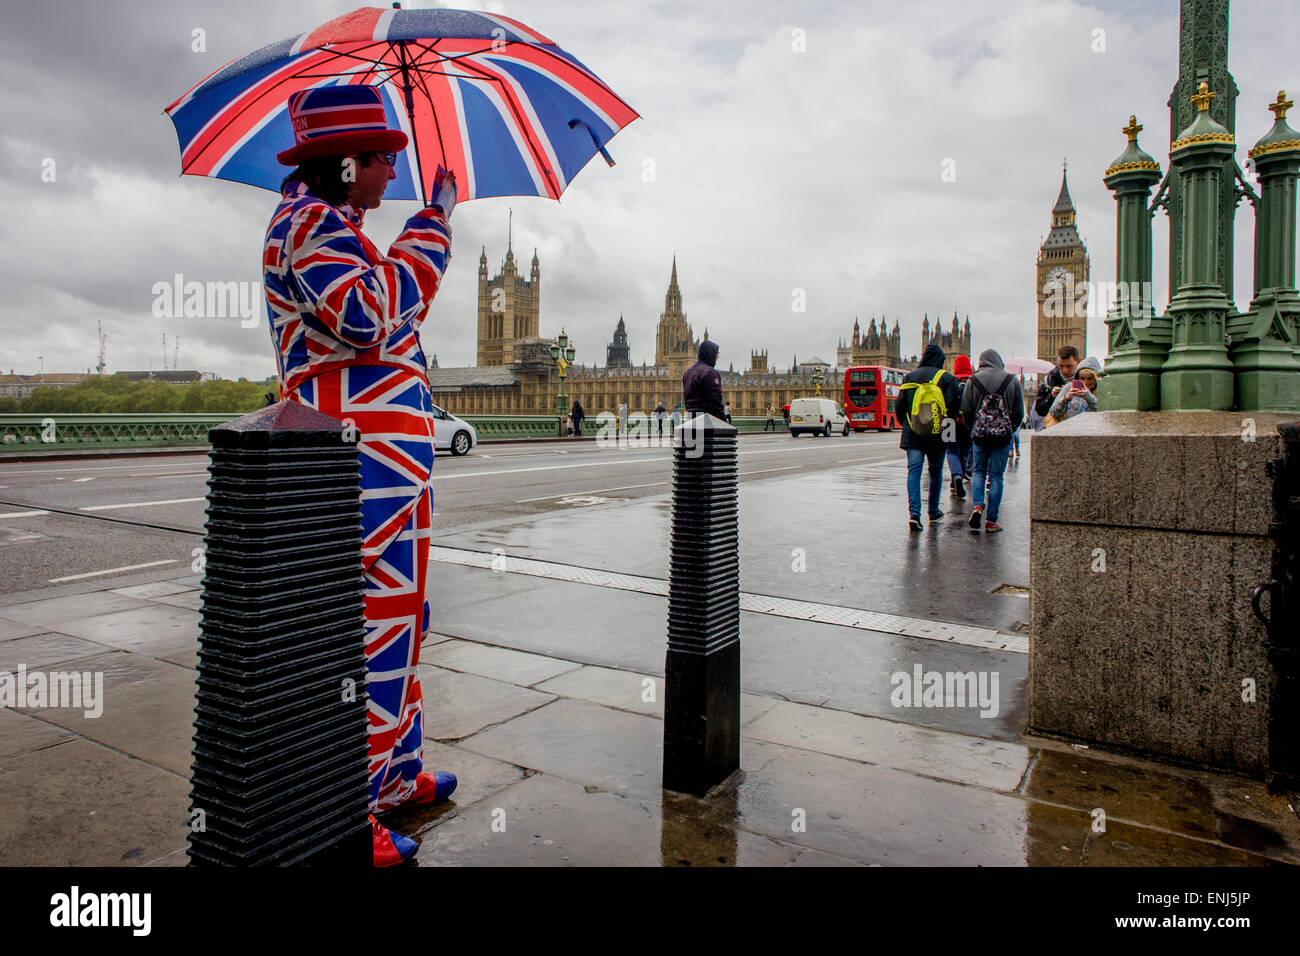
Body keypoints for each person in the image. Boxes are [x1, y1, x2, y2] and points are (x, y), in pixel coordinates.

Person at [263, 85, 457, 867]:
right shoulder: (307, 226)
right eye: (382, 160)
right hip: (356, 466)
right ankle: (350, 811)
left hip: (392, 470)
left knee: (404, 624)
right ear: (345, 163)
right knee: (366, 637)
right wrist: (433, 227)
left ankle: (396, 775)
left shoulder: (339, 225)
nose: (392, 174)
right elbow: (371, 314)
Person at [897, 343, 961, 531]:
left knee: (914, 471)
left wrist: (908, 425)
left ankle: (914, 514)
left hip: (913, 433)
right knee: (935, 472)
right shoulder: (947, 378)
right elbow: (952, 409)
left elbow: (900, 407)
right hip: (937, 434)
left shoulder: (909, 377)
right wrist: (948, 436)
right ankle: (933, 511)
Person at [962, 349, 1025, 534]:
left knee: (979, 472)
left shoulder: (973, 380)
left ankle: (978, 506)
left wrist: (973, 428)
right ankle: (991, 521)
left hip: (980, 435)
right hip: (1002, 436)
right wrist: (1009, 429)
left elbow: (966, 409)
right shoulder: (1011, 380)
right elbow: (1019, 412)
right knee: (997, 477)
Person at [947, 354, 973, 498]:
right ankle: (959, 477)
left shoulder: (950, 381)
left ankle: (955, 477)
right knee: (964, 451)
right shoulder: (974, 382)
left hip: (949, 422)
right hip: (968, 423)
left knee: (951, 451)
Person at [1045, 356, 1101, 424]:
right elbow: (1054, 413)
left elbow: (1102, 415)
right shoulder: (1068, 387)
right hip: (1069, 431)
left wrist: (1089, 398)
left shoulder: (1101, 390)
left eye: (1090, 378)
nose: (1085, 382)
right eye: (1082, 378)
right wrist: (1065, 399)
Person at [1034, 344, 1080, 419]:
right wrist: (1051, 396)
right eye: (1061, 366)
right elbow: (1040, 410)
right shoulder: (1049, 380)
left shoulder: (1086, 379)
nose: (1065, 371)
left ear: (1078, 361)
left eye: (1069, 366)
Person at [683, 339, 725, 418]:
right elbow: (715, 402)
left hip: (690, 418)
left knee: (692, 431)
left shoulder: (688, 372)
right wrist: (723, 421)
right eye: (716, 353)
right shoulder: (710, 372)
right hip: (706, 419)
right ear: (710, 353)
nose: (718, 356)